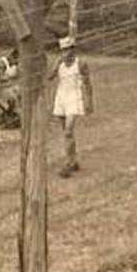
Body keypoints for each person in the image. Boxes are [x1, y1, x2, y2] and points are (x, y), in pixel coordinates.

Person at [48, 37, 94, 178]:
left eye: (68, 49)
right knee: (67, 133)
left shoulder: (81, 64)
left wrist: (89, 102)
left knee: (68, 131)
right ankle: (73, 160)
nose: (66, 52)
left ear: (73, 49)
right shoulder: (60, 64)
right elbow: (49, 78)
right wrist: (56, 65)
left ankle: (68, 163)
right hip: (61, 97)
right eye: (63, 50)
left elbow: (87, 83)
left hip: (74, 97)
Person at [0, 47, 21, 125]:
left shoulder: (16, 65)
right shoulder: (2, 63)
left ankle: (13, 116)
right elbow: (1, 78)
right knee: (13, 96)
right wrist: (11, 79)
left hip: (9, 87)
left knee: (21, 92)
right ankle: (10, 115)